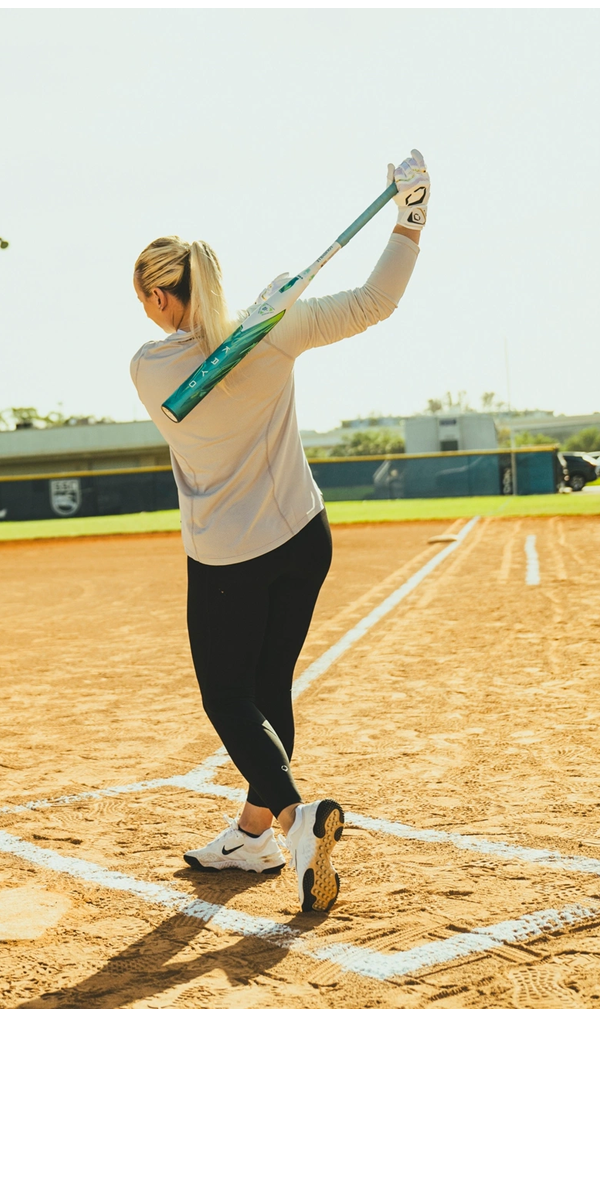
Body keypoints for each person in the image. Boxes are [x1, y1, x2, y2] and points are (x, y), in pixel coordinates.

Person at [130, 153, 429, 911]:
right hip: (304, 537)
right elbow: (376, 302)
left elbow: (204, 359)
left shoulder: (150, 367)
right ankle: (252, 835)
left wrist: (268, 317)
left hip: (228, 557)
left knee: (227, 697)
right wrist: (410, 217)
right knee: (267, 690)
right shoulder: (275, 328)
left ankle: (296, 824)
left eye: (146, 299)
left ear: (161, 295)